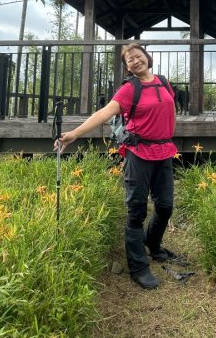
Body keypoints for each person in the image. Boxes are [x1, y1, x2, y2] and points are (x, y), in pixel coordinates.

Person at [54, 42, 177, 290]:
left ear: (147, 57)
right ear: (128, 67)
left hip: (164, 151)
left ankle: (153, 244)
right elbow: (104, 113)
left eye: (137, 55)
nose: (135, 60)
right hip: (139, 154)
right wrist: (75, 134)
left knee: (165, 206)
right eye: (129, 59)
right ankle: (138, 268)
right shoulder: (129, 89)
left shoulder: (163, 82)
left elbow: (166, 110)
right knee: (137, 211)